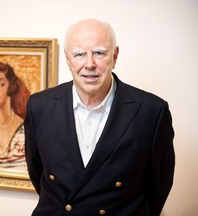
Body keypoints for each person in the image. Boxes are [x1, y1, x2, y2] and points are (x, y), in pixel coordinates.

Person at [24, 19, 175, 215]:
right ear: (68, 59)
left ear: (115, 56)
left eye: (99, 53)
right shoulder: (39, 106)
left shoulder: (152, 112)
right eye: (79, 54)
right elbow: (38, 173)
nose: (89, 64)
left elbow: (158, 187)